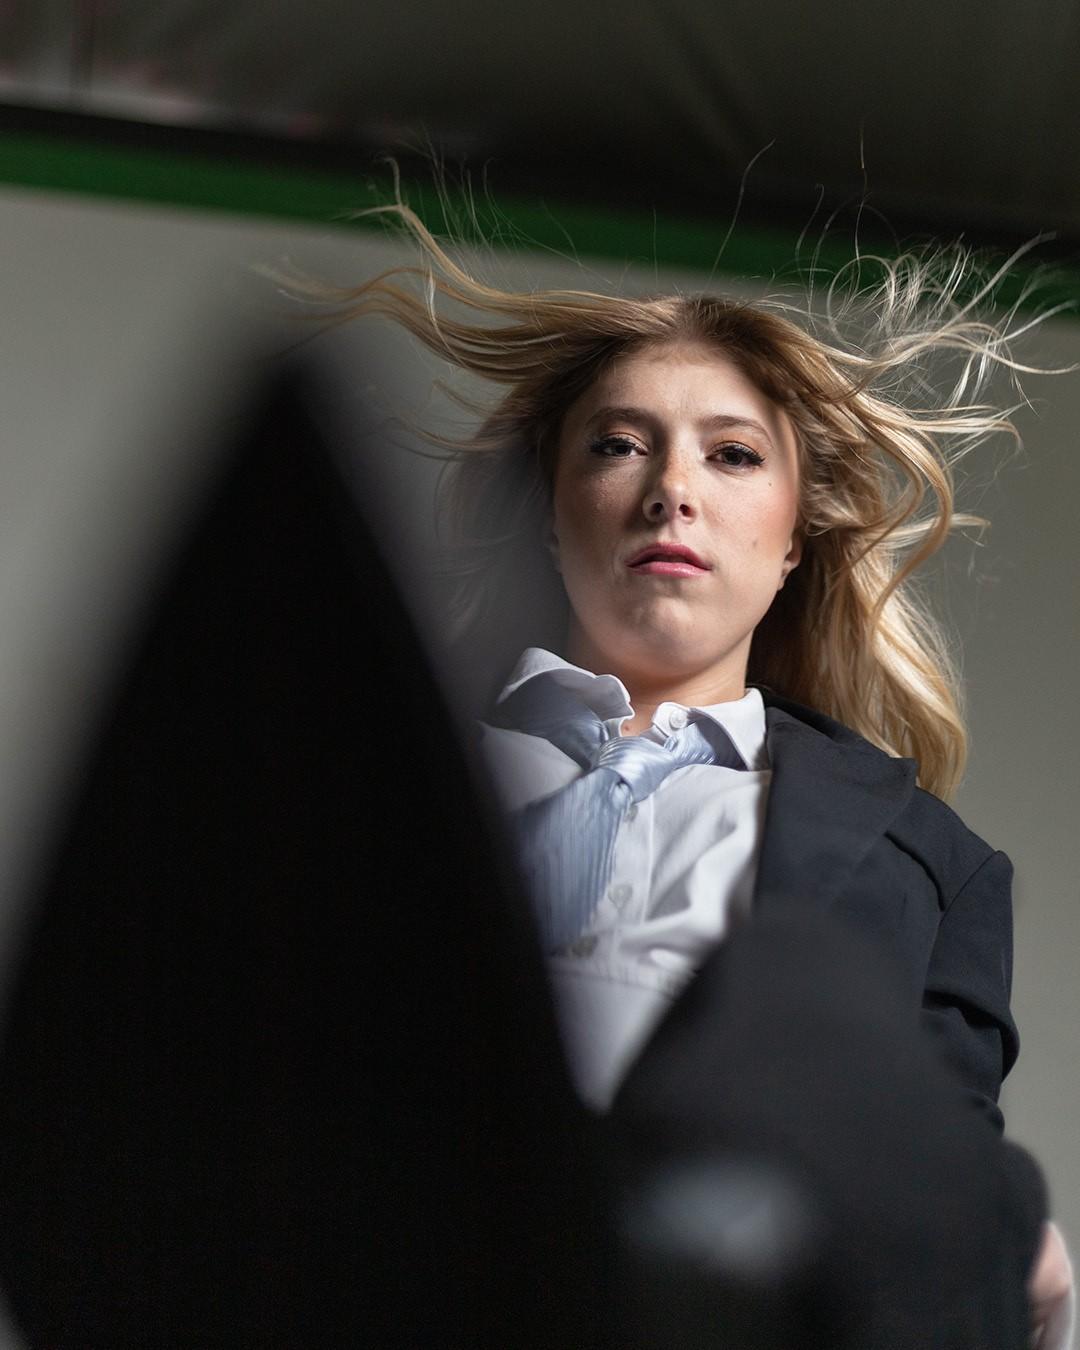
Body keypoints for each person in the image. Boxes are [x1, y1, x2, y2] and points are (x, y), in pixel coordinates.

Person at [287, 203, 1074, 1347]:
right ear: (548, 515)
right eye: (616, 444)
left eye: (734, 453)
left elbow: (936, 1208)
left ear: (797, 533)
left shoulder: (931, 870)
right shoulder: (357, 773)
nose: (672, 489)